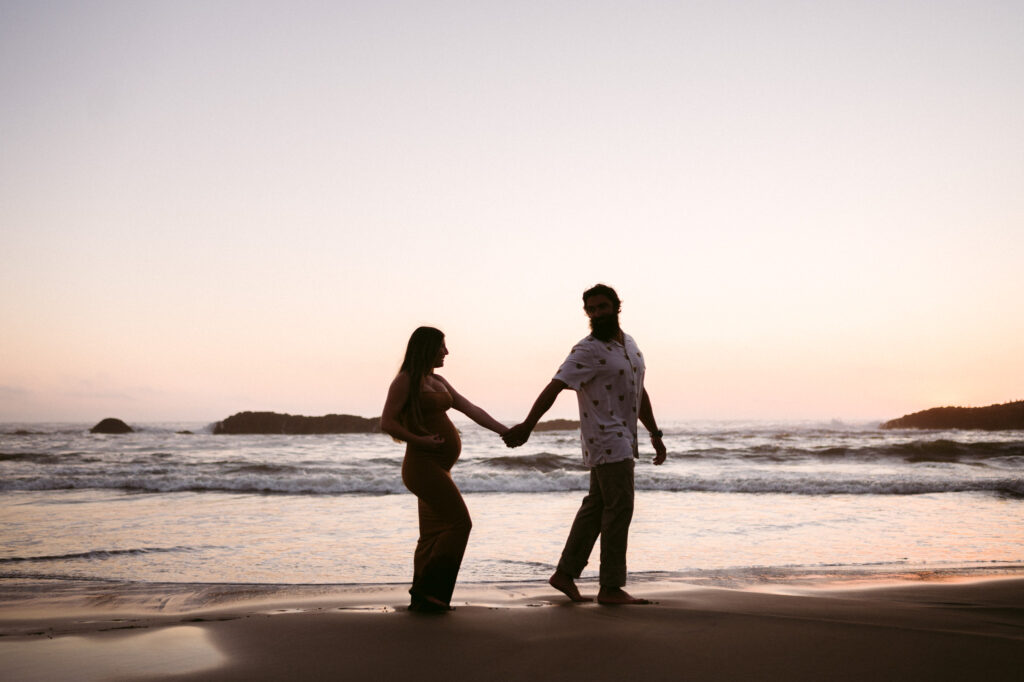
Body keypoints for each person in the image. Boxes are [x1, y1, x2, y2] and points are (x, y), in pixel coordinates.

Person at [503, 284, 667, 605]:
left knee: (596, 507)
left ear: (617, 307)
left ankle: (564, 573)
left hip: (625, 438)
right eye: (591, 309)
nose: (597, 314)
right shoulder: (587, 350)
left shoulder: (630, 345)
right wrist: (527, 425)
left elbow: (639, 392)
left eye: (603, 307)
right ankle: (610, 587)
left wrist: (655, 434)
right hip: (606, 439)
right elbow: (555, 386)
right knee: (620, 509)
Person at [381, 326, 508, 613]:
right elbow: (387, 422)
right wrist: (420, 439)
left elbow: (470, 408)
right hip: (421, 466)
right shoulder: (404, 381)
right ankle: (432, 592)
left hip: (439, 466)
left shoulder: (438, 381)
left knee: (432, 534)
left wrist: (505, 431)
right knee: (460, 523)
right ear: (426, 348)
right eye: (442, 346)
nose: (446, 352)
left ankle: (422, 598)